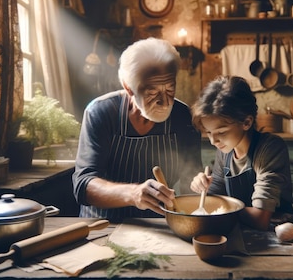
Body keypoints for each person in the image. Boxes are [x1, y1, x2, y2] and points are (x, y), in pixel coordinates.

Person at [72, 37, 202, 221]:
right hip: (103, 225)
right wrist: (132, 194)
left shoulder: (183, 118)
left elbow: (192, 184)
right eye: (152, 93)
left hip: (159, 226)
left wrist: (201, 186)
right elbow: (83, 186)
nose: (164, 102)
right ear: (128, 87)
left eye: (170, 89)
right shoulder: (101, 113)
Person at [189, 75, 293, 230]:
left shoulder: (270, 148)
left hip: (277, 235)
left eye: (221, 132)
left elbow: (260, 218)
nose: (213, 141)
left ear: (246, 122)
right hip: (243, 231)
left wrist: (220, 209)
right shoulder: (225, 151)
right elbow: (212, 202)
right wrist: (202, 187)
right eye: (209, 133)